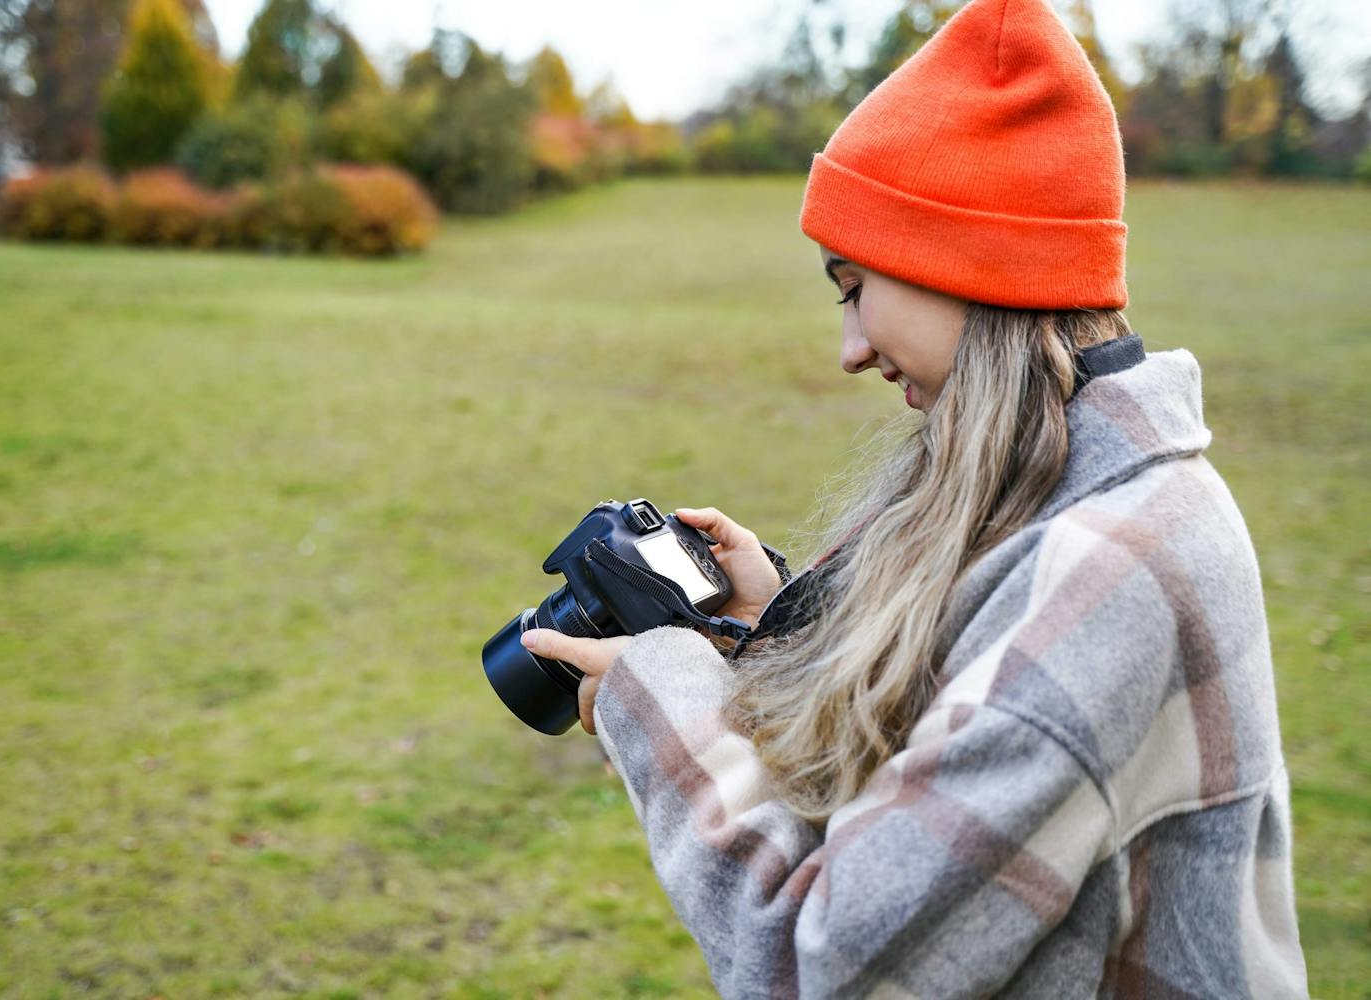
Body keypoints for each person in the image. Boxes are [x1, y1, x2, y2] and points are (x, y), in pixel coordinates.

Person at [519, 0, 1310, 995]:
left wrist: (658, 690)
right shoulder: (1092, 491)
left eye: (855, 286)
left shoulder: (1112, 570)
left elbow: (822, 965)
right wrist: (783, 623)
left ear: (965, 259)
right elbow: (955, 732)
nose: (849, 348)